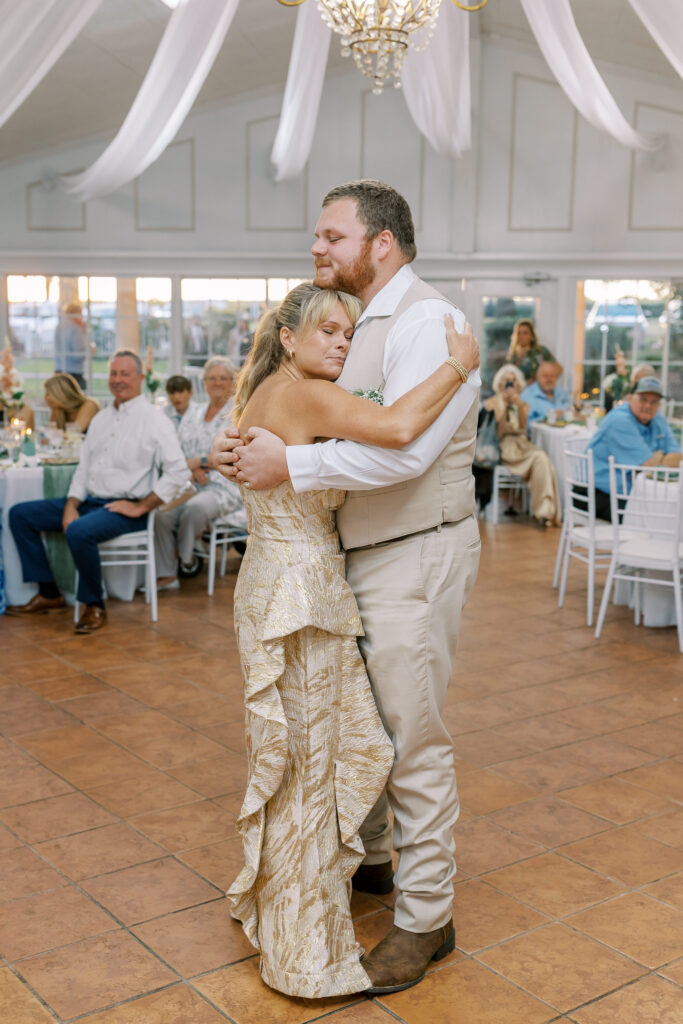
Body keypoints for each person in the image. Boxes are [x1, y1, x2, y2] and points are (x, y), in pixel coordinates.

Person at [214, 180, 482, 996]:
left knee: (409, 736)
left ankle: (425, 917)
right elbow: (312, 414)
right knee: (349, 718)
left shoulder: (432, 322)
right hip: (339, 559)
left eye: (331, 236)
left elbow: (404, 453)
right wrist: (253, 455)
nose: (317, 249)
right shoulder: (354, 324)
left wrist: (286, 464)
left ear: (382, 243)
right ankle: (367, 861)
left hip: (412, 550)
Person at [7, 350, 190, 634]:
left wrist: (142, 506)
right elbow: (84, 468)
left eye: (124, 374)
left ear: (140, 378)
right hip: (89, 502)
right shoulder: (102, 419)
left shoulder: (156, 422)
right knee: (20, 515)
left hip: (125, 509)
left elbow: (180, 471)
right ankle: (49, 593)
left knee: (79, 531)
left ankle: (94, 605)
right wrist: (71, 503)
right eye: (113, 374)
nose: (117, 380)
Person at [155, 357, 244, 587]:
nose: (217, 383)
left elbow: (236, 455)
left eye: (223, 378)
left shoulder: (238, 413)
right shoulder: (193, 414)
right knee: (161, 513)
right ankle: (167, 573)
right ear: (204, 382)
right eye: (212, 378)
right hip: (190, 482)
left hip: (224, 486)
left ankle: (186, 560)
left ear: (233, 382)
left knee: (195, 508)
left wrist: (201, 461)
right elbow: (177, 451)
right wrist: (193, 470)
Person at [588, 376, 681, 521]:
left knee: (670, 511)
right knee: (660, 517)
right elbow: (648, 465)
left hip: (631, 493)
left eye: (654, 401)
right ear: (630, 398)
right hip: (598, 494)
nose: (648, 406)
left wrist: (657, 458)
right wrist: (659, 458)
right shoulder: (619, 420)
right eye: (643, 399)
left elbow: (678, 458)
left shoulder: (657, 419)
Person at [485, 364, 561, 525]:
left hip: (523, 445)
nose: (510, 385)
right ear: (499, 384)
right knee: (539, 457)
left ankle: (546, 510)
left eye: (513, 381)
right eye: (507, 381)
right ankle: (544, 510)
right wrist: (504, 406)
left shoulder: (522, 404)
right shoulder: (492, 403)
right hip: (504, 446)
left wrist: (517, 405)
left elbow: (522, 427)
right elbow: (499, 431)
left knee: (543, 461)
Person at [521, 360, 570, 428]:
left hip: (566, 436)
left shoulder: (563, 393)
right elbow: (524, 425)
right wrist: (547, 418)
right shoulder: (527, 396)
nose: (549, 379)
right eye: (545, 376)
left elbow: (570, 413)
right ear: (537, 377)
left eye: (552, 376)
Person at [506, 318, 554, 382]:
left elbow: (558, 369)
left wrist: (543, 382)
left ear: (532, 336)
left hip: (536, 390)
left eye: (525, 333)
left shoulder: (540, 351)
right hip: (518, 391)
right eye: (519, 333)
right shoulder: (512, 354)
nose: (521, 336)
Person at [54, 302, 88, 390]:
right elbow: (78, 355)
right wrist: (89, 349)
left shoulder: (59, 327)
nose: (82, 317)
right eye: (81, 314)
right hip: (74, 374)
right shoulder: (76, 328)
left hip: (59, 370)